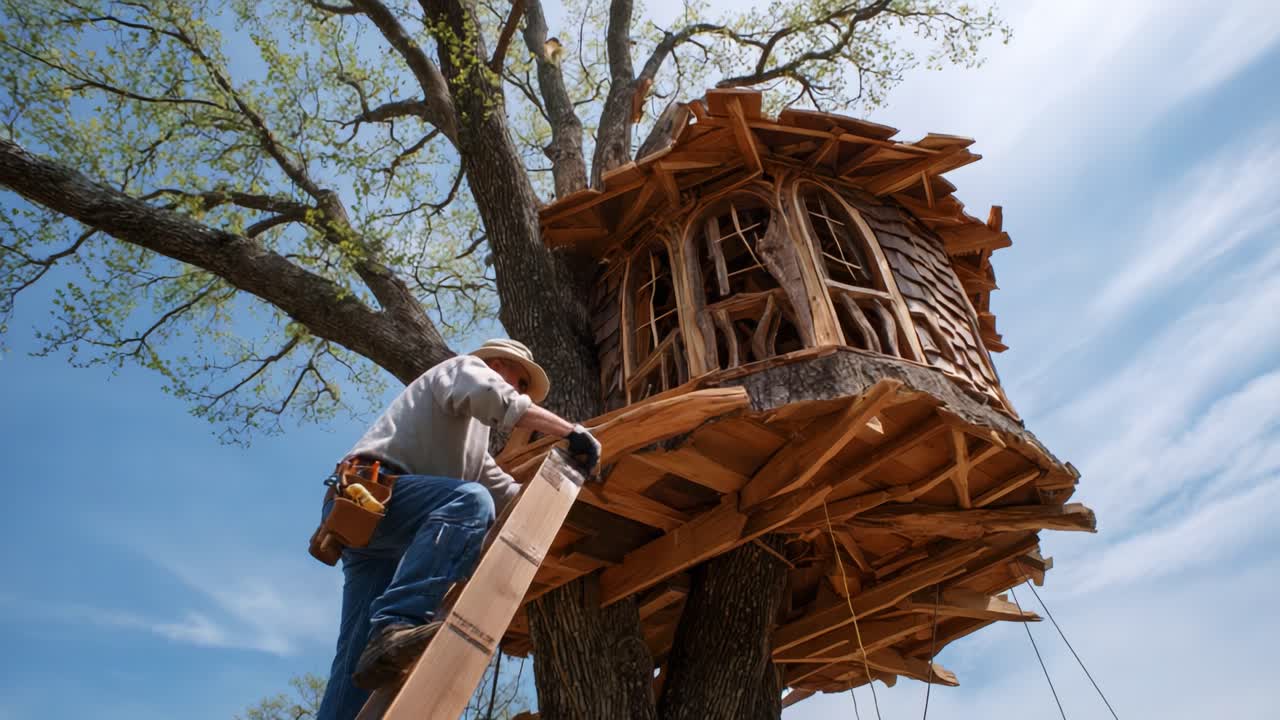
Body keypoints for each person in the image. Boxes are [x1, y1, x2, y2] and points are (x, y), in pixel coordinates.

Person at [315, 338, 601, 720]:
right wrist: (571, 433)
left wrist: (567, 501)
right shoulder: (464, 369)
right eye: (520, 383)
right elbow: (495, 398)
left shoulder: (471, 443)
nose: (520, 393)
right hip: (369, 496)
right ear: (499, 365)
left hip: (377, 530)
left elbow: (506, 494)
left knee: (358, 655)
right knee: (469, 501)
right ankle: (397, 622)